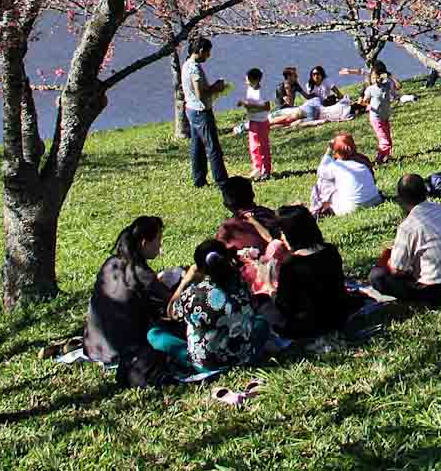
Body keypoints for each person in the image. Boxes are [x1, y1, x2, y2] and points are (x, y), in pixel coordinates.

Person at [84, 215, 181, 384]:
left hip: (93, 346)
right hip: (121, 351)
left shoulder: (111, 263)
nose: (160, 246)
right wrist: (187, 279)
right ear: (144, 243)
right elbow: (175, 303)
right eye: (158, 240)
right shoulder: (141, 273)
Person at [152, 239, 272, 373]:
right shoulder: (239, 283)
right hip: (243, 356)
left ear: (200, 267)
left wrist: (185, 281)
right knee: (261, 323)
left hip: (206, 365)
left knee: (154, 334)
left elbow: (171, 313)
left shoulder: (194, 294)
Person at [368, 173, 441, 306]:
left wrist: (386, 260)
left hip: (435, 291)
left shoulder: (408, 226)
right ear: (425, 192)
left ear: (401, 199)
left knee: (377, 276)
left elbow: (397, 270)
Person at [267, 205, 350, 339]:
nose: (281, 237)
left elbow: (285, 305)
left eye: (283, 232)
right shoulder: (330, 250)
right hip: (339, 315)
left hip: (308, 326)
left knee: (264, 308)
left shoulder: (291, 265)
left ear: (292, 234)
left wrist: (270, 289)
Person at [181, 37, 230, 189]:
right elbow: (200, 93)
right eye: (208, 53)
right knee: (213, 147)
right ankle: (222, 182)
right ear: (201, 51)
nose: (209, 56)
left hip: (191, 110)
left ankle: (199, 180)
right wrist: (217, 87)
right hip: (201, 112)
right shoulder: (194, 68)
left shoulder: (186, 64)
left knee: (197, 146)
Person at [309, 132, 385, 216]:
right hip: (376, 200)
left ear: (336, 150)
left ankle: (319, 207)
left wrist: (329, 151)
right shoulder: (363, 160)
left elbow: (320, 171)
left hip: (351, 208)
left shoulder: (337, 165)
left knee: (323, 180)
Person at [345, 60, 399, 162]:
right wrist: (368, 105)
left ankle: (386, 157)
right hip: (376, 118)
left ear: (383, 76)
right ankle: (379, 160)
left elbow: (399, 86)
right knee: (385, 141)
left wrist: (390, 76)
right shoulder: (370, 89)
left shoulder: (387, 85)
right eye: (373, 77)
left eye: (377, 77)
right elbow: (363, 101)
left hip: (385, 116)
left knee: (388, 139)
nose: (375, 79)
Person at [236, 69, 274, 181]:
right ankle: (257, 168)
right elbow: (250, 103)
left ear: (256, 80)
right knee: (254, 147)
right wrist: (244, 104)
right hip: (252, 121)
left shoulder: (262, 91)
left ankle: (266, 170)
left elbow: (267, 107)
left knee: (263, 147)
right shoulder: (249, 89)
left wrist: (252, 107)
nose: (246, 82)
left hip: (262, 122)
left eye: (248, 79)